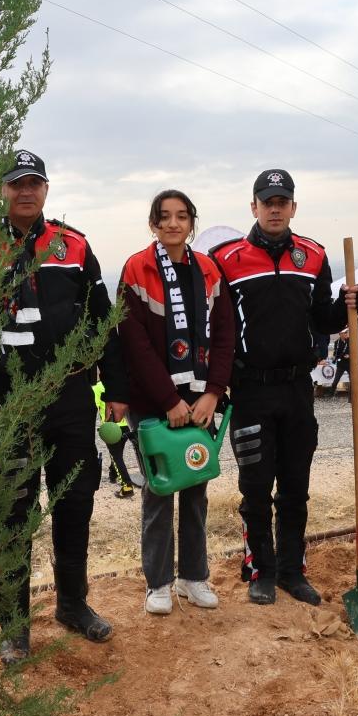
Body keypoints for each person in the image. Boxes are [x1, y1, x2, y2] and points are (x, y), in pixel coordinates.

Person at [0, 149, 128, 664]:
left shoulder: (73, 245)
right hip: (6, 404)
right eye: (16, 183)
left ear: (46, 189)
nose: (26, 191)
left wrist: (116, 391)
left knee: (75, 501)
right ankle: (14, 626)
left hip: (70, 398)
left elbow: (102, 321)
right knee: (12, 511)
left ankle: (72, 604)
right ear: (2, 189)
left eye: (34, 183)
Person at [210, 168, 358, 606]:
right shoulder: (226, 258)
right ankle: (261, 570)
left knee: (295, 488)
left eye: (282, 202)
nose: (274, 209)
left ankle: (292, 571)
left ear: (293, 207)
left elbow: (324, 319)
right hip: (250, 391)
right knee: (255, 489)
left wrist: (349, 305)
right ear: (253, 206)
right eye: (267, 202)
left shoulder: (313, 255)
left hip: (298, 390)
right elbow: (216, 327)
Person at [119, 189, 235, 615]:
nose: (173, 223)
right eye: (164, 216)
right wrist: (168, 400)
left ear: (191, 223)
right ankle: (158, 584)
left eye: (182, 216)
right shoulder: (136, 268)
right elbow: (133, 342)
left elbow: (225, 334)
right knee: (159, 488)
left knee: (196, 485)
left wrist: (212, 393)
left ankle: (193, 576)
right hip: (153, 401)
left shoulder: (209, 269)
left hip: (200, 398)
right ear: (153, 223)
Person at [93, 380, 139, 498]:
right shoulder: (121, 383)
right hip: (126, 425)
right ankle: (113, 474)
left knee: (116, 456)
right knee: (118, 454)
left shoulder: (97, 387)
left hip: (111, 428)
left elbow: (93, 407)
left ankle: (127, 486)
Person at [328, 329, 351, 400]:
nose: (346, 334)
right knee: (336, 380)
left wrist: (349, 355)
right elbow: (335, 353)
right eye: (344, 333)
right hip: (341, 364)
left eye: (346, 332)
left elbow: (354, 350)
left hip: (349, 363)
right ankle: (331, 394)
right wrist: (335, 357)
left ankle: (352, 395)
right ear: (340, 334)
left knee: (353, 380)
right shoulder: (337, 342)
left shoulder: (350, 340)